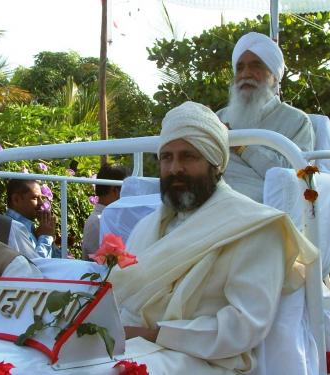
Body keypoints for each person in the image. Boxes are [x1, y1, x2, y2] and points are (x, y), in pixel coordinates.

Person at [109, 101, 318, 374]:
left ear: (216, 164)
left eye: (189, 156)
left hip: (206, 361)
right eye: (167, 157)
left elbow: (244, 325)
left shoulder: (256, 226)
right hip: (132, 346)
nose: (174, 169)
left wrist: (153, 334)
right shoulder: (147, 227)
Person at [216, 32, 314, 203]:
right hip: (210, 203)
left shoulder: (297, 121)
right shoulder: (219, 117)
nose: (245, 74)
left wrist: (242, 146)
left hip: (263, 211)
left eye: (256, 66)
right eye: (240, 68)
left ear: (275, 76)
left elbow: (295, 175)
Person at [82, 164, 128, 260]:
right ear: (115, 191)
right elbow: (99, 262)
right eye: (126, 190)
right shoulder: (97, 221)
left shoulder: (105, 218)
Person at [5, 179, 59, 258]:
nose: (41, 203)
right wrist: (46, 236)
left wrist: (48, 236)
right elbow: (36, 266)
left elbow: (55, 259)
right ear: (16, 199)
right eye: (35, 198)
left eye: (41, 198)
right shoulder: (13, 227)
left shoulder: (28, 226)